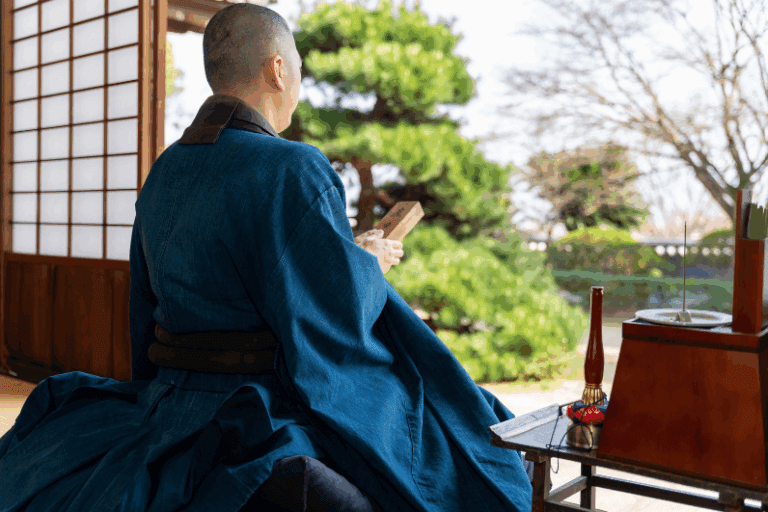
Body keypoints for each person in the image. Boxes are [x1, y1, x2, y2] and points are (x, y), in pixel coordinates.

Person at [0, 4, 533, 511]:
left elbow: (145, 307)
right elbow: (335, 321)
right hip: (257, 403)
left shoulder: (166, 170)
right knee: (463, 417)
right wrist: (366, 263)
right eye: (297, 68)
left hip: (168, 398)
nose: (298, 85)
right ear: (278, 69)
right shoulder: (294, 167)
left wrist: (349, 259)